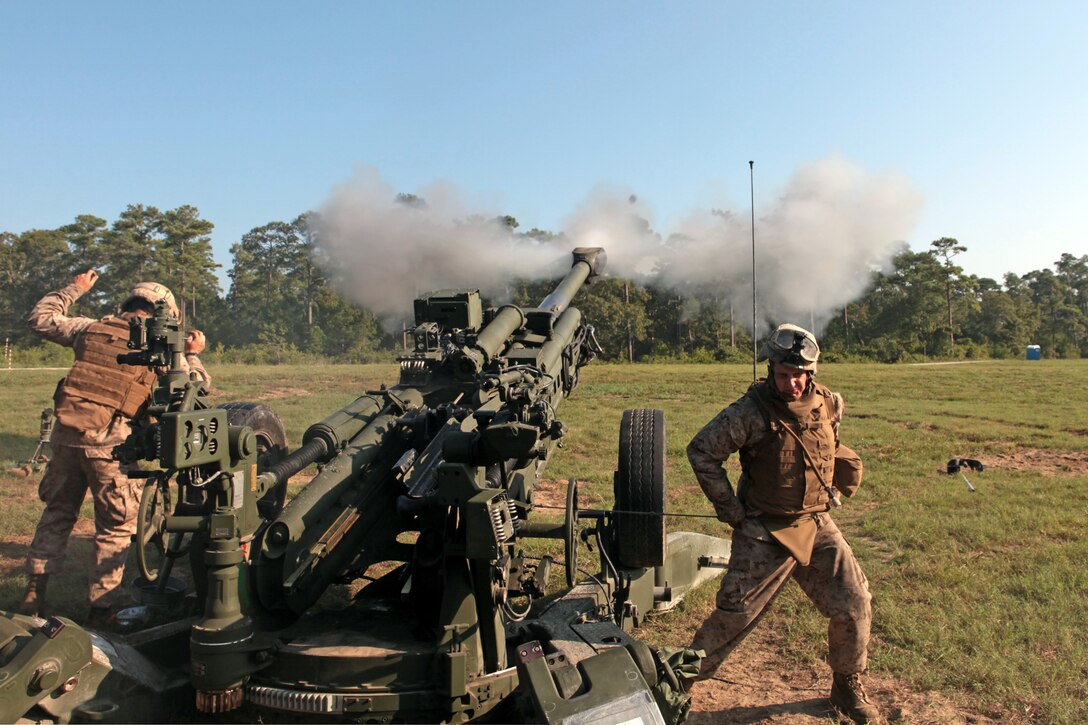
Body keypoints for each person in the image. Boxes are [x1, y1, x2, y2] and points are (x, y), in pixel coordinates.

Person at [686, 323, 880, 724]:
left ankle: (847, 685)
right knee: (733, 618)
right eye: (782, 374)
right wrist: (731, 510)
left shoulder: (829, 403)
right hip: (763, 531)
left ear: (811, 373)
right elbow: (702, 451)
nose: (790, 383)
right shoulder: (749, 412)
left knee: (854, 603)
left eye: (798, 375)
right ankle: (674, 685)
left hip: (815, 523)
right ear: (771, 369)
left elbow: (829, 442)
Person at [19, 269, 210, 628]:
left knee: (58, 513)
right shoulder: (162, 345)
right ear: (164, 313)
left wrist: (74, 288)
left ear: (129, 304)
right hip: (112, 444)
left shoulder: (89, 328)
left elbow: (40, 319)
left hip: (66, 435)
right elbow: (194, 390)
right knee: (115, 527)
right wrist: (193, 354)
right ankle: (101, 610)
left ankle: (32, 595)